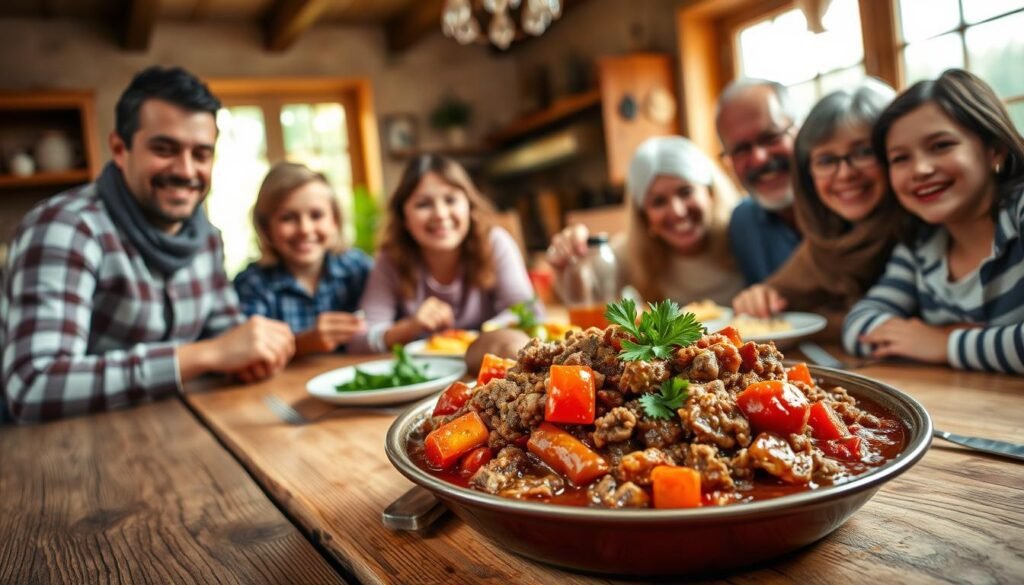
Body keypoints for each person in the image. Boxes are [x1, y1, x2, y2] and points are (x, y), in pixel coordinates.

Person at [0, 66, 295, 422]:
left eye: (201, 154)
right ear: (119, 149)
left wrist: (251, 356)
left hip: (178, 434)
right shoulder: (66, 229)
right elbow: (32, 386)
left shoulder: (206, 236)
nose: (186, 171)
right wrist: (202, 356)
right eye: (165, 149)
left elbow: (226, 336)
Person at [843, 69, 1024, 374]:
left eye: (941, 145)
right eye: (900, 158)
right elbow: (858, 328)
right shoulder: (921, 244)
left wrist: (945, 343)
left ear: (995, 149)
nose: (921, 169)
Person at [732, 79, 905, 337]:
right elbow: (776, 294)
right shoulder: (825, 241)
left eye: (864, 152)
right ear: (807, 174)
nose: (845, 174)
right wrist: (759, 299)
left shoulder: (924, 234)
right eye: (826, 160)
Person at [353, 154, 540, 353]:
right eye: (423, 204)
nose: (441, 214)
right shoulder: (391, 257)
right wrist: (411, 326)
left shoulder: (495, 243)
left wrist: (478, 335)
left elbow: (529, 314)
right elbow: (360, 340)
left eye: (450, 200)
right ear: (404, 217)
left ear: (469, 206)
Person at [547, 135, 744, 306]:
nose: (677, 211)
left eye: (686, 192)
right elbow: (590, 296)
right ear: (644, 216)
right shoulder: (632, 253)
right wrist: (567, 261)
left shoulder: (744, 232)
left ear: (710, 192)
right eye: (658, 202)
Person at [233, 162, 372, 356]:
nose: (305, 229)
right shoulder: (253, 285)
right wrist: (304, 343)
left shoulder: (359, 268)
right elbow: (245, 355)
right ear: (266, 228)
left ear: (335, 221)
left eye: (316, 215)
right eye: (288, 218)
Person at [716, 78, 803, 284]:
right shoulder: (743, 223)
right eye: (740, 149)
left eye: (771, 137)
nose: (759, 158)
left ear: (800, 131)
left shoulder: (846, 197)